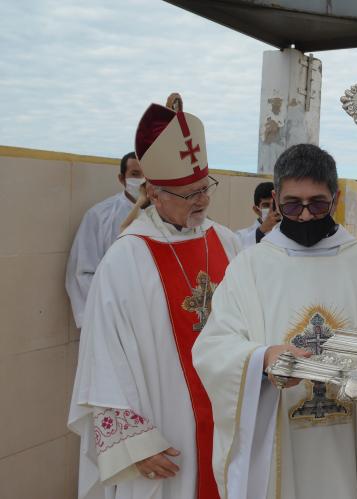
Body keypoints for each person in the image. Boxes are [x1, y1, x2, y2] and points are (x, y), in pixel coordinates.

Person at [193, 144, 357, 498]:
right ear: (276, 200)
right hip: (281, 436)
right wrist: (263, 358)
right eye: (293, 204)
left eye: (317, 203)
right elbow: (213, 347)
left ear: (336, 198)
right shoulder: (249, 267)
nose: (305, 216)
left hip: (356, 433)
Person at [68, 94, 242, 499]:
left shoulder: (228, 243)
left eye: (205, 188)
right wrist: (134, 444)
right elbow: (102, 356)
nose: (202, 200)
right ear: (155, 193)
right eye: (188, 194)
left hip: (227, 425)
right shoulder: (125, 259)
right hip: (165, 434)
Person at [65, 151, 145, 329]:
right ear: (121, 178)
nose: (142, 180)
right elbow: (81, 273)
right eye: (135, 174)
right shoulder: (100, 215)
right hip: (111, 315)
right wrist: (102, 319)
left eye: (147, 174)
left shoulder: (167, 216)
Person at [235, 181, 280, 248]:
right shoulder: (241, 236)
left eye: (274, 205)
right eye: (266, 205)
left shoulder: (287, 233)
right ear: (256, 210)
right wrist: (261, 231)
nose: (271, 209)